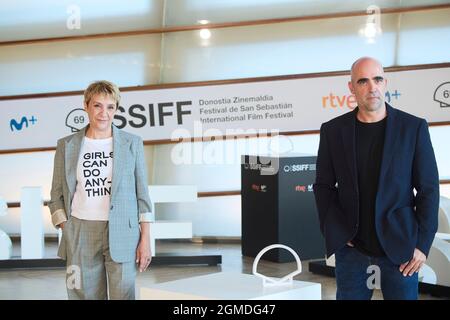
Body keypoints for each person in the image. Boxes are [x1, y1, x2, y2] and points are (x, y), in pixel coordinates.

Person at [313, 57, 439, 300]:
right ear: (351, 87)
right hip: (352, 250)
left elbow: (428, 189)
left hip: (401, 249)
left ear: (385, 83)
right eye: (363, 81)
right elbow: (323, 186)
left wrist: (423, 245)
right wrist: (336, 232)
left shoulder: (413, 128)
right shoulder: (333, 131)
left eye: (377, 79)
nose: (372, 87)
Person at [49, 80, 152, 299]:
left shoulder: (132, 143)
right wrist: (66, 227)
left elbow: (143, 196)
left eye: (110, 107)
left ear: (116, 109)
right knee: (81, 295)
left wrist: (146, 239)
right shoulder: (66, 145)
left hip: (124, 232)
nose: (103, 113)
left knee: (123, 295)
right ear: (86, 106)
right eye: (97, 105)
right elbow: (56, 195)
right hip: (79, 231)